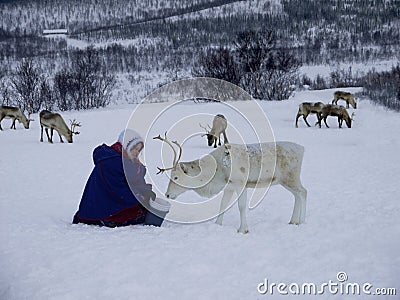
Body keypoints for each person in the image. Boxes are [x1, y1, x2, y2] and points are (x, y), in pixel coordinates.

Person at [73, 129, 166, 228]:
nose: (136, 152)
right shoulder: (111, 163)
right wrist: (141, 198)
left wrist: (146, 192)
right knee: (143, 215)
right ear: (126, 146)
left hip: (115, 203)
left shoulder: (130, 162)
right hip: (102, 208)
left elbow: (136, 184)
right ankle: (108, 220)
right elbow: (120, 191)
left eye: (139, 150)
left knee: (148, 211)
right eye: (134, 148)